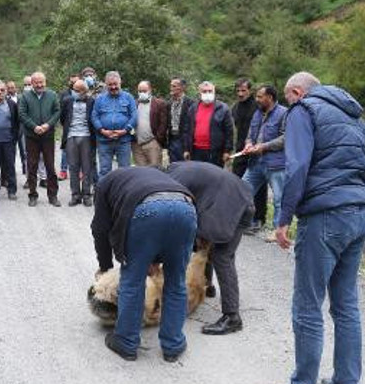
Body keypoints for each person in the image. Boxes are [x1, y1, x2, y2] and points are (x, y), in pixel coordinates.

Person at [276, 72, 365, 384]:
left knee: (307, 306)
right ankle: (346, 379)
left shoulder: (303, 110)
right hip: (359, 212)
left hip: (325, 216)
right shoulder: (352, 116)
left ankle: (303, 380)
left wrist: (283, 217)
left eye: (287, 98)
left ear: (296, 91)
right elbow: (362, 166)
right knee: (345, 305)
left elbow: (297, 166)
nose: (287, 105)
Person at [92, 167, 197, 362]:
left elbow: (100, 229)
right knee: (176, 283)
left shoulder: (104, 183)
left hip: (147, 210)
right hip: (187, 208)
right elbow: (168, 217)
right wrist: (155, 258)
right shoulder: (150, 175)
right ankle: (173, 345)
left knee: (132, 281)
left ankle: (126, 342)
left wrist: (105, 267)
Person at [166, 161, 254, 335]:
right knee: (209, 245)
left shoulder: (171, 181)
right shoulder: (178, 168)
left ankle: (232, 317)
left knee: (222, 256)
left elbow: (174, 221)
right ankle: (207, 286)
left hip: (231, 205)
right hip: (242, 199)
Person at [240, 85, 287, 238]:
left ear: (270, 98)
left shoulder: (284, 113)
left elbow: (285, 138)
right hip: (255, 162)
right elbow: (250, 134)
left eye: (260, 96)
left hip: (275, 164)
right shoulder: (257, 114)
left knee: (279, 199)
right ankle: (244, 223)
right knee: (243, 191)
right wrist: (248, 144)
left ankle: (277, 231)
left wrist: (264, 147)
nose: (257, 99)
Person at [18, 71, 62, 207]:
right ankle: (32, 195)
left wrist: (48, 125)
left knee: (50, 166)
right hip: (32, 136)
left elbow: (57, 111)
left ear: (45, 82)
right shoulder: (25, 96)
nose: (39, 85)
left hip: (48, 136)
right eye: (36, 82)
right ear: (32, 83)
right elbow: (22, 114)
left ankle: (53, 195)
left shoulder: (52, 95)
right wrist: (34, 126)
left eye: (41, 82)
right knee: (32, 166)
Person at [231, 78, 267, 230]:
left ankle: (258, 218)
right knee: (237, 183)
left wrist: (258, 146)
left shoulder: (258, 107)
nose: (240, 93)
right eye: (238, 90)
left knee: (259, 187)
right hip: (240, 150)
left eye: (243, 90)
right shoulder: (235, 107)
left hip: (257, 151)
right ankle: (240, 218)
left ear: (250, 91)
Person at [92, 71, 137, 180]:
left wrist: (125, 130)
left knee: (125, 171)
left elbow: (134, 115)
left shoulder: (128, 97)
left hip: (123, 140)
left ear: (120, 83)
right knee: (104, 171)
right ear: (106, 85)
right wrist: (102, 130)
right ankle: (103, 195)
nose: (113, 87)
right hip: (104, 140)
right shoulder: (100, 99)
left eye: (115, 84)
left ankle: (124, 195)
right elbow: (94, 116)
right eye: (110, 85)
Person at [60, 79, 95, 206]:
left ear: (83, 92)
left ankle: (86, 195)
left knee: (87, 167)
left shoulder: (91, 101)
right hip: (71, 136)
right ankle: (75, 195)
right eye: (73, 89)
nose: (72, 92)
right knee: (73, 166)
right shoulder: (67, 101)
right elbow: (63, 118)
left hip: (86, 136)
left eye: (75, 90)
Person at [183, 81, 233, 168]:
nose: (207, 93)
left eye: (210, 91)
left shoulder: (223, 108)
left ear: (214, 92)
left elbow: (229, 131)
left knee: (214, 178)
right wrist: (186, 149)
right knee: (197, 177)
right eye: (204, 91)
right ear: (200, 92)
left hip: (215, 152)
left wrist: (227, 151)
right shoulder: (193, 108)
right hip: (196, 151)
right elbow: (187, 130)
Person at [132, 80, 167, 167]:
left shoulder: (159, 103)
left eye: (144, 91)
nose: (142, 93)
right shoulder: (134, 103)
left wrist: (157, 140)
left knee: (155, 172)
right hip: (137, 145)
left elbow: (163, 123)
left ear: (150, 90)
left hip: (152, 143)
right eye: (140, 91)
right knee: (140, 173)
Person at [58, 73, 80, 181]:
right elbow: (61, 112)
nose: (74, 84)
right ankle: (63, 170)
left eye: (76, 81)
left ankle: (80, 171)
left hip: (81, 127)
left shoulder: (84, 93)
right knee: (66, 149)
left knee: (81, 149)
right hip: (68, 126)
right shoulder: (64, 94)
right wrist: (65, 124)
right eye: (72, 82)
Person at [167, 77, 193, 163]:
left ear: (181, 88)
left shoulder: (190, 103)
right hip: (172, 139)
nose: (171, 88)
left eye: (174, 86)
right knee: (173, 165)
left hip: (184, 140)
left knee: (185, 166)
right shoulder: (169, 103)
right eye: (171, 86)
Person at [6, 80, 27, 175]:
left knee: (25, 153)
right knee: (10, 154)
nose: (10, 90)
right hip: (10, 130)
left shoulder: (22, 98)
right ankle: (10, 175)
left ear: (16, 88)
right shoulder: (4, 100)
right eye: (8, 88)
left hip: (22, 129)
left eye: (12, 87)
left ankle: (27, 175)